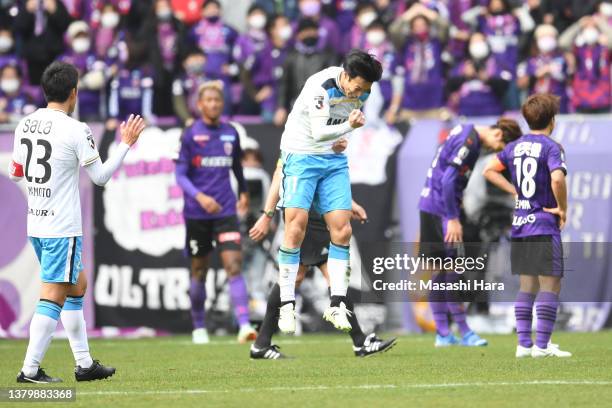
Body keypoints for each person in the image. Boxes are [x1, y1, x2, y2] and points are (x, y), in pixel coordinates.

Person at [9, 61, 145, 383]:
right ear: (74, 92)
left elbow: (16, 174)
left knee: (77, 285)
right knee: (54, 293)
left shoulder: (24, 124)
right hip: (61, 227)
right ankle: (29, 370)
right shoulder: (76, 129)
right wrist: (125, 144)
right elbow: (99, 177)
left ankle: (84, 365)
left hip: (37, 223)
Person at [248, 149, 397, 359]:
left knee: (325, 278)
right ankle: (261, 344)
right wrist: (266, 215)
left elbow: (329, 180)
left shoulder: (329, 138)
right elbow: (279, 176)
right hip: (304, 221)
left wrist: (349, 204)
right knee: (297, 278)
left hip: (321, 219)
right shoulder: (299, 137)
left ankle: (359, 341)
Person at [275, 50, 382, 334]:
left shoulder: (362, 90)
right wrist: (347, 128)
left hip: (332, 161)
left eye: (366, 90)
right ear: (345, 75)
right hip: (301, 156)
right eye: (357, 87)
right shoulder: (320, 86)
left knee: (343, 230)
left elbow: (346, 122)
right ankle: (287, 305)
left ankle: (337, 305)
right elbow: (321, 130)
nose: (360, 93)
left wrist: (344, 136)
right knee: (295, 228)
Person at [418, 117, 522, 347]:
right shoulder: (470, 141)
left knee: (443, 273)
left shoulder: (465, 131)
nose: (496, 152)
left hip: (432, 206)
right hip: (441, 210)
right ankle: (462, 332)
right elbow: (447, 179)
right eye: (500, 148)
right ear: (498, 135)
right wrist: (453, 217)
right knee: (452, 273)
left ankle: (445, 334)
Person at [483, 93, 571, 358]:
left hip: (520, 224)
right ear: (552, 120)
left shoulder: (514, 147)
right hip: (543, 223)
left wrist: (515, 191)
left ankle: (524, 344)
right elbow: (557, 179)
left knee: (527, 286)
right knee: (551, 284)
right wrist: (562, 208)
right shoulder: (552, 147)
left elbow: (489, 169)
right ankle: (542, 345)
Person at [175, 81, 257, 345]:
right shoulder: (190, 134)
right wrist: (199, 197)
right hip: (197, 214)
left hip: (225, 211)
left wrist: (243, 192)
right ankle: (199, 326)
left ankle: (244, 326)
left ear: (222, 104)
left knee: (234, 265)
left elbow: (236, 167)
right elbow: (180, 174)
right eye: (208, 100)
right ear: (199, 105)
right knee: (199, 271)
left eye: (217, 100)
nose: (213, 104)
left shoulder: (231, 133)